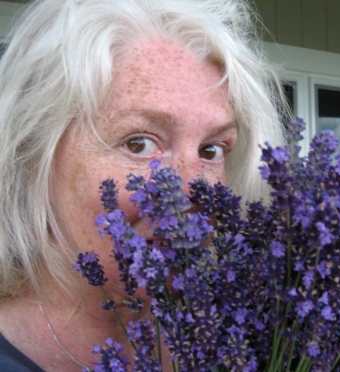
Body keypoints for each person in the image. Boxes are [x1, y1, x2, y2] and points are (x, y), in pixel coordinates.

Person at [0, 0, 287, 370]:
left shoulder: (247, 337)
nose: (188, 190)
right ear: (33, 154)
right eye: (139, 143)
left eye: (212, 149)